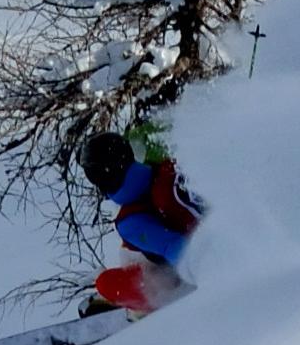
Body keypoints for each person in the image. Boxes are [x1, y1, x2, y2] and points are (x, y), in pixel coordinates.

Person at [78, 130, 206, 318]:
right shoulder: (165, 168)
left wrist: (210, 278)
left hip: (186, 276)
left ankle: (144, 307)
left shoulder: (131, 221)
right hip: (211, 237)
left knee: (105, 282)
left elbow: (178, 249)